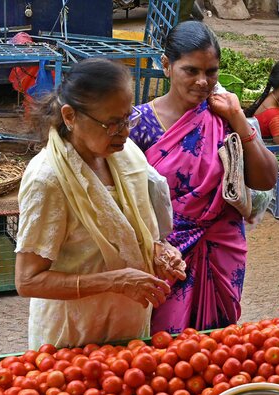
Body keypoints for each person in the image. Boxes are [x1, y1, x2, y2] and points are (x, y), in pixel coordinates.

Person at [14, 58, 186, 349]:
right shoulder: (48, 180)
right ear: (70, 116)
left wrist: (158, 250)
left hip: (129, 328)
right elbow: (28, 280)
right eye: (111, 123)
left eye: (127, 118)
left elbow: (131, 230)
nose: (124, 132)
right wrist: (113, 282)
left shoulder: (125, 154)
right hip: (74, 337)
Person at [129, 21, 278, 333]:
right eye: (191, 70)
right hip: (167, 254)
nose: (202, 81)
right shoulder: (138, 124)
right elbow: (124, 198)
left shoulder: (224, 117)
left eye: (211, 72)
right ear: (166, 65)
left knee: (218, 345)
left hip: (221, 247)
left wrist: (238, 118)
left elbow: (265, 179)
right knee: (165, 346)